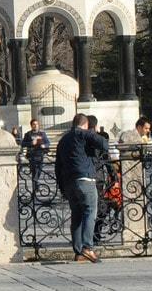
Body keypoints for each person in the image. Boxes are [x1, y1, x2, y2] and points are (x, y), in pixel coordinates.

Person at [55, 113, 108, 263]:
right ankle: (88, 248)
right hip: (85, 179)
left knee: (77, 215)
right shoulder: (83, 133)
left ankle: (78, 252)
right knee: (90, 211)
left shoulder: (63, 139)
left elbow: (57, 165)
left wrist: (62, 187)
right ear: (85, 125)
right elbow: (104, 144)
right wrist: (93, 133)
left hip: (69, 182)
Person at [88, 116, 120, 245]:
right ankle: (96, 233)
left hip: (85, 177)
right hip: (98, 177)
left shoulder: (79, 140)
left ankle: (86, 236)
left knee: (87, 208)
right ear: (95, 126)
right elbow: (106, 159)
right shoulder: (99, 140)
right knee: (101, 207)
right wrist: (114, 176)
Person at [21, 119, 50, 187]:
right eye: (34, 124)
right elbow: (23, 144)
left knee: (39, 170)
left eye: (37, 124)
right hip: (32, 155)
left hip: (40, 154)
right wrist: (31, 143)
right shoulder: (28, 134)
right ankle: (34, 189)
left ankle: (35, 183)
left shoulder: (42, 133)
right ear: (31, 126)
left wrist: (44, 145)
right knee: (34, 171)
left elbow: (48, 143)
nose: (36, 126)